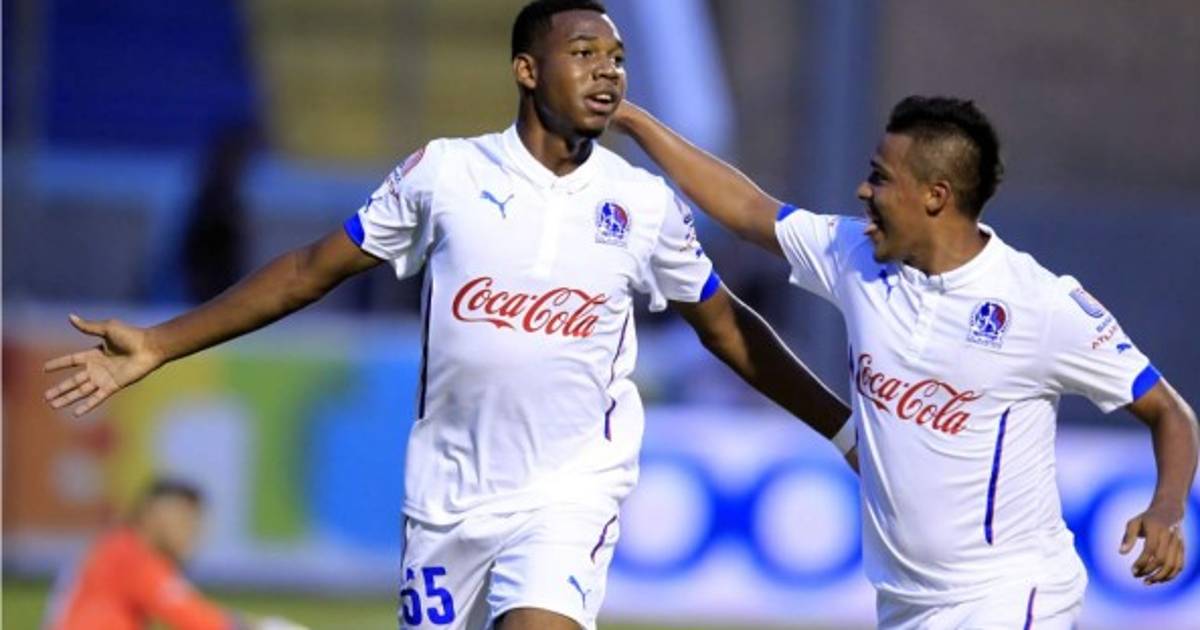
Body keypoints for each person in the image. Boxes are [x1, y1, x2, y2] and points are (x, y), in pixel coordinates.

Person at [42, 1, 852, 628]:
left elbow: (724, 325)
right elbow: (308, 272)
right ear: (527, 70)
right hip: (448, 497)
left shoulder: (640, 204)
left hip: (569, 491)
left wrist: (844, 430)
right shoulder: (446, 175)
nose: (608, 71)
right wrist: (160, 342)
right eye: (584, 54)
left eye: (617, 57)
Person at [611, 96, 1198, 628]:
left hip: (1011, 596)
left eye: (880, 177)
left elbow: (1169, 412)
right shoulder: (855, 256)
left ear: (935, 195)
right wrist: (634, 121)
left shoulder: (1039, 305)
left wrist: (1168, 510)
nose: (863, 191)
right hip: (905, 603)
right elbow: (745, 209)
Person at [45, 478, 305, 630]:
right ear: (151, 515)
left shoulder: (118, 546)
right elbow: (196, 618)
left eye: (195, 523)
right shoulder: (133, 557)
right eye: (184, 520)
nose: (191, 532)